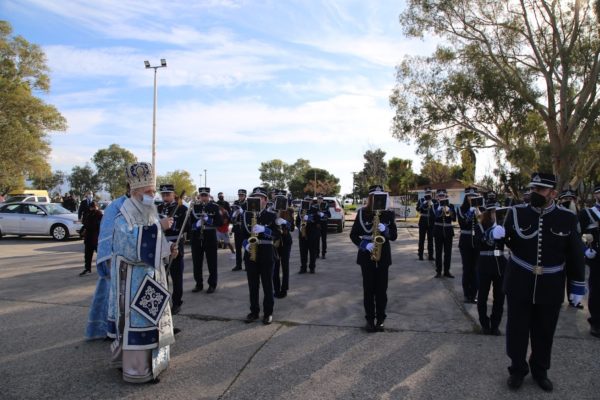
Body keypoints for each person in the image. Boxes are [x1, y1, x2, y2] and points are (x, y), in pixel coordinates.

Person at [498, 172, 585, 392]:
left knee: (545, 331)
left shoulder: (567, 218)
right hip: (519, 282)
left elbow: (575, 253)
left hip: (551, 284)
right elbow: (501, 241)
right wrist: (493, 235)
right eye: (533, 188)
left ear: (553, 193)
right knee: (517, 330)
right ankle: (517, 369)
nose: (534, 193)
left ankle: (540, 370)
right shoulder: (516, 213)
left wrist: (577, 285)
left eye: (540, 189)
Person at [107, 161, 177, 384]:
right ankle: (137, 369)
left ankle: (155, 365)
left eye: (153, 191)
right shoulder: (123, 216)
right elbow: (128, 247)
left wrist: (168, 250)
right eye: (148, 192)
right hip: (133, 282)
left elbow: (156, 243)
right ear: (135, 191)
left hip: (153, 278)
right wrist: (159, 228)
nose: (152, 195)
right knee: (139, 321)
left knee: (153, 320)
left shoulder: (149, 213)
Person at [350, 185, 398, 332]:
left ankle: (381, 320)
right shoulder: (362, 213)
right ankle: (370, 320)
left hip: (383, 257)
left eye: (380, 195)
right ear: (370, 197)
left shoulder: (388, 214)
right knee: (368, 290)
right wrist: (365, 245)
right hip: (366, 256)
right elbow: (353, 235)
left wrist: (386, 230)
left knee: (382, 291)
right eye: (375, 196)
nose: (378, 199)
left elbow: (394, 236)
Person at [85, 191, 128, 340]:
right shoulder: (116, 206)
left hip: (138, 262)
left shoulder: (144, 205)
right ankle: (112, 330)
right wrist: (107, 259)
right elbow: (107, 233)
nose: (151, 195)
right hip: (117, 259)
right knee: (115, 295)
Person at [241, 187, 281, 324]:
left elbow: (277, 234)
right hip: (250, 254)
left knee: (267, 285)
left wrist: (265, 229)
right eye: (254, 197)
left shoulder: (271, 215)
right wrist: (245, 244)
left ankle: (268, 313)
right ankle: (254, 311)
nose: (257, 200)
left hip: (266, 253)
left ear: (265, 200)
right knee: (253, 285)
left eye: (260, 197)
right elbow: (241, 234)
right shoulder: (245, 215)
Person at [474, 199, 506, 335]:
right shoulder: (480, 226)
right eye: (493, 212)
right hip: (485, 263)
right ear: (488, 213)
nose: (495, 214)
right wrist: (491, 233)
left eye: (497, 212)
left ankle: (495, 325)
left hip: (500, 264)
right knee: (482, 296)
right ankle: (484, 324)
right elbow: (478, 243)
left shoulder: (503, 226)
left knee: (499, 297)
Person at [157, 184, 188, 315]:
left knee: (176, 276)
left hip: (175, 242)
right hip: (160, 243)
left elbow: (187, 227)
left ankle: (176, 302)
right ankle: (164, 301)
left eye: (168, 194)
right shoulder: (158, 207)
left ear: (174, 194)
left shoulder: (182, 208)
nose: (165, 197)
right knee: (162, 276)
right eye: (163, 194)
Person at [189, 187, 223, 294]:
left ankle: (212, 284)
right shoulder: (194, 207)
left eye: (205, 195)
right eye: (202, 195)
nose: (203, 197)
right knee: (196, 262)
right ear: (199, 196)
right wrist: (196, 224)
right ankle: (198, 284)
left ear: (209, 196)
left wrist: (209, 220)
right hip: (196, 236)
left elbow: (220, 222)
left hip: (210, 236)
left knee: (212, 262)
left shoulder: (214, 207)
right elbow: (188, 224)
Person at [578, 184, 600, 337]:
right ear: (596, 195)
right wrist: (585, 250)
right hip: (597, 257)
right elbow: (578, 235)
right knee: (597, 290)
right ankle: (596, 323)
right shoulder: (587, 213)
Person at [558, 188, 584, 309]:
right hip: (560, 250)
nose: (568, 201)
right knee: (558, 275)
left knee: (575, 274)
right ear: (560, 200)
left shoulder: (579, 213)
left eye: (571, 199)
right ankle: (557, 298)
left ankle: (574, 299)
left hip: (575, 250)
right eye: (565, 199)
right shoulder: (557, 213)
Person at [457, 187, 480, 303]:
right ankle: (466, 294)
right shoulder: (461, 209)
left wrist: (478, 211)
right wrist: (471, 211)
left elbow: (483, 223)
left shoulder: (480, 209)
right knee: (467, 268)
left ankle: (474, 294)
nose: (472, 198)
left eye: (474, 196)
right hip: (465, 241)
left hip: (477, 242)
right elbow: (463, 223)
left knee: (476, 269)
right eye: (469, 196)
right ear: (466, 197)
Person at [273, 189, 295, 298]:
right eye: (278, 198)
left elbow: (292, 228)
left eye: (282, 198)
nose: (280, 200)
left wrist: (285, 222)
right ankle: (276, 289)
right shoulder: (272, 209)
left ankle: (284, 289)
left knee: (285, 266)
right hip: (275, 241)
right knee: (275, 267)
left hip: (286, 241)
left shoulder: (289, 210)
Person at [433, 189, 456, 278]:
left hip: (448, 231)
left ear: (446, 196)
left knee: (448, 252)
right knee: (438, 252)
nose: (442, 197)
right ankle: (438, 271)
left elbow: (454, 218)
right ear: (437, 197)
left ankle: (447, 271)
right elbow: (434, 217)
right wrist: (439, 208)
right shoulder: (435, 206)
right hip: (438, 231)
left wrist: (449, 210)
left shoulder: (451, 206)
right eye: (440, 196)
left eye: (443, 196)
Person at [296, 196, 322, 274]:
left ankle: (312, 267)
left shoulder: (315, 209)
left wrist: (310, 219)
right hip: (302, 234)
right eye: (306, 200)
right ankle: (303, 268)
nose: (307, 201)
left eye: (309, 200)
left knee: (312, 252)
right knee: (303, 252)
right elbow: (297, 222)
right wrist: (300, 227)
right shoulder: (300, 210)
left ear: (311, 201)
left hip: (312, 234)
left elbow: (318, 221)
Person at [79, 201, 103, 276]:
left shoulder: (99, 215)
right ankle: (87, 269)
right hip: (88, 238)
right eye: (91, 207)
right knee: (87, 255)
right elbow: (85, 224)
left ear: (97, 207)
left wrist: (87, 227)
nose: (92, 208)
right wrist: (82, 230)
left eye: (94, 207)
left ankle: (106, 269)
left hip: (96, 238)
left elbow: (97, 226)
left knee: (101, 255)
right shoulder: (88, 214)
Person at [416, 188, 436, 261]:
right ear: (425, 193)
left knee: (430, 239)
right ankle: (420, 255)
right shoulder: (421, 200)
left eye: (429, 192)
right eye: (427, 192)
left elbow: (436, 211)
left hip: (431, 221)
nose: (428, 193)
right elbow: (418, 209)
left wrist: (432, 204)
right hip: (423, 221)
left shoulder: (434, 201)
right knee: (421, 239)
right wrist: (423, 204)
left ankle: (430, 255)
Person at [231, 189, 247, 271]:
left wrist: (242, 212)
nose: (240, 197)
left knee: (246, 247)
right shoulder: (236, 203)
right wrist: (234, 214)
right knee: (238, 248)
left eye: (242, 195)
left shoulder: (247, 204)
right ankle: (238, 265)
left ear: (245, 196)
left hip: (244, 229)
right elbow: (231, 215)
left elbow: (249, 214)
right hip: (237, 228)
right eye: (239, 195)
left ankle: (247, 265)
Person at [315, 194, 331, 259]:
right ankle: (317, 253)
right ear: (317, 200)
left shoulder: (326, 206)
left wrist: (323, 214)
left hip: (324, 224)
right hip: (317, 224)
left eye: (321, 199)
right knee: (317, 240)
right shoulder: (315, 206)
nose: (319, 200)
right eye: (318, 199)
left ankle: (323, 253)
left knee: (324, 240)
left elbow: (329, 215)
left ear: (322, 200)